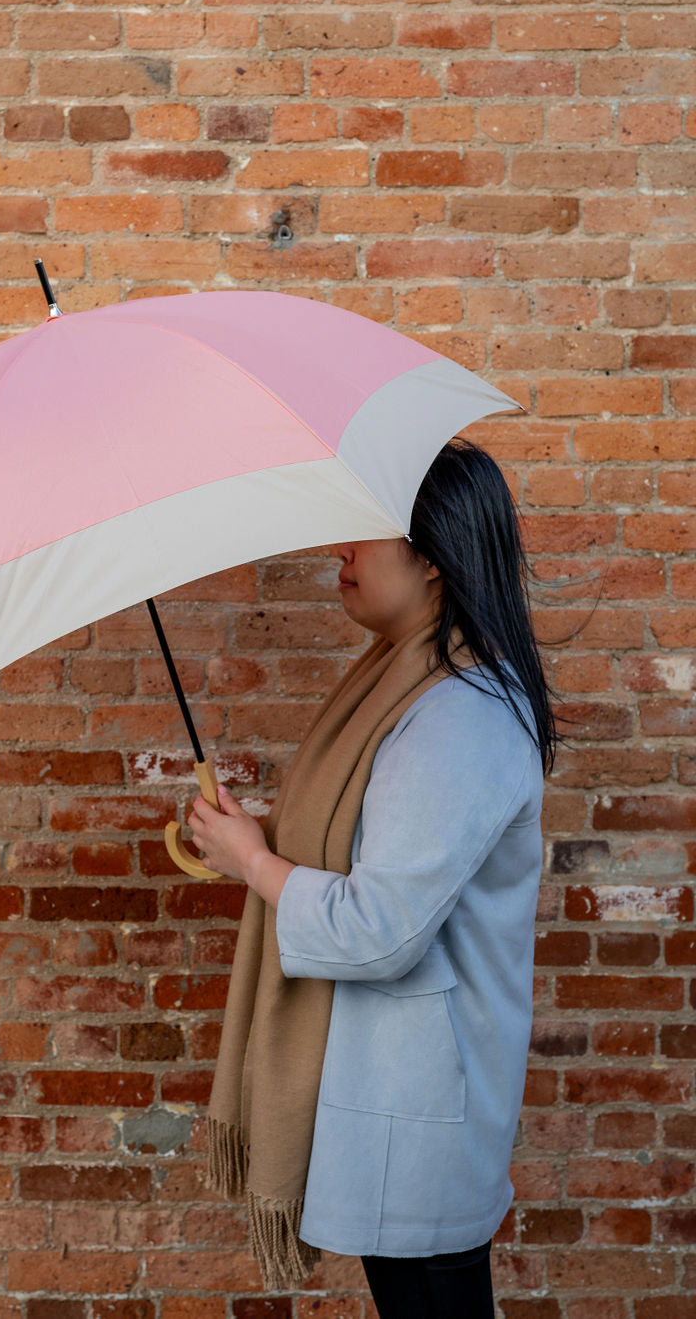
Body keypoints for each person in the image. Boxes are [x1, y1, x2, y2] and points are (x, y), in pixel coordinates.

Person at [187, 439, 556, 1317]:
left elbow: (379, 927)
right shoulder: (412, 686)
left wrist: (256, 861)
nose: (340, 551)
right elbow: (378, 858)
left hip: (421, 1110)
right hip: (401, 1094)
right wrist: (254, 843)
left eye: (364, 532)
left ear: (431, 557)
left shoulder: (459, 716)